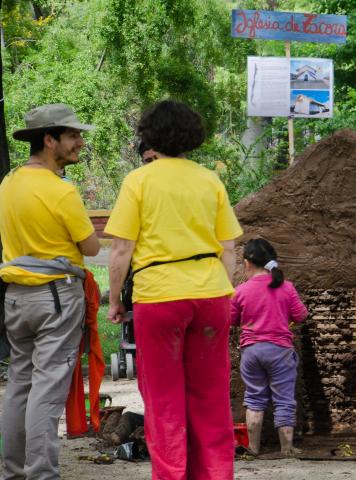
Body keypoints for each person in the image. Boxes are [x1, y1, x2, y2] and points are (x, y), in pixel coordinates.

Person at [106, 100, 244, 478]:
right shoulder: (209, 180)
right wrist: (221, 290)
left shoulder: (139, 181)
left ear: (149, 136)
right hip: (211, 295)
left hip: (160, 296)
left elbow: (121, 250)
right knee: (211, 398)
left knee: (165, 401)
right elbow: (228, 248)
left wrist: (115, 300)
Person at [0, 103, 101, 478]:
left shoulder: (8, 182)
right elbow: (90, 247)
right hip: (56, 297)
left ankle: (13, 472)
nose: (79, 143)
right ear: (49, 139)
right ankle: (42, 474)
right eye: (72, 136)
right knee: (47, 390)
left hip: (16, 298)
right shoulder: (60, 191)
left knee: (19, 386)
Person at [232, 238, 308, 456]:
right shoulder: (286, 287)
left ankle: (253, 448)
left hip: (251, 352)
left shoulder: (241, 290)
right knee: (284, 399)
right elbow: (301, 315)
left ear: (247, 263)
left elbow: (231, 319)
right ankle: (287, 448)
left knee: (254, 399)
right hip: (280, 351)